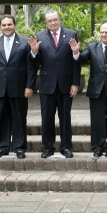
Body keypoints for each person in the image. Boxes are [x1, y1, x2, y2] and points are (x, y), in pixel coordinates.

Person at [0, 15, 36, 159]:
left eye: (9, 24)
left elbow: (31, 66)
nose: (7, 27)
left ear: (15, 25)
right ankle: (2, 148)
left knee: (19, 118)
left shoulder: (24, 42)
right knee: (0, 118)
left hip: (19, 87)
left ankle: (20, 148)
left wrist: (30, 86)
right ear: (0, 27)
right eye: (4, 25)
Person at [70, 23, 107, 158]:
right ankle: (97, 147)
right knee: (97, 120)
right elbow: (83, 58)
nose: (103, 35)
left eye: (106, 32)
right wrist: (75, 52)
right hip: (96, 90)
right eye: (102, 32)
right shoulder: (92, 47)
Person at [28, 9, 80, 158]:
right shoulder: (39, 36)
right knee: (47, 117)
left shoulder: (71, 35)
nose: (53, 22)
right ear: (46, 22)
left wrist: (75, 83)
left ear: (59, 20)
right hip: (47, 84)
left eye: (55, 19)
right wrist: (33, 52)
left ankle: (66, 147)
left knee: (65, 118)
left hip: (65, 83)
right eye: (50, 20)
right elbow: (32, 62)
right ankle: (48, 147)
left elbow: (75, 61)